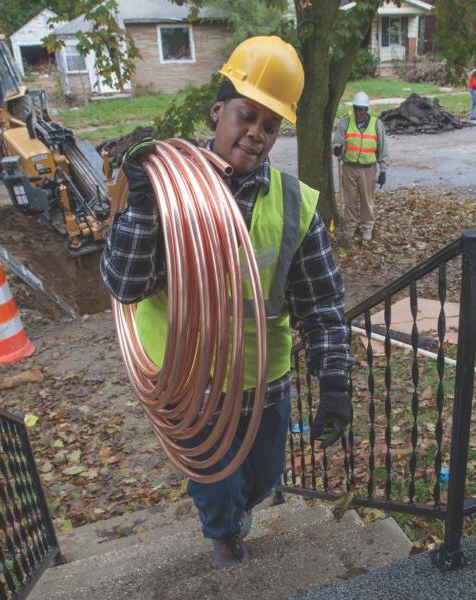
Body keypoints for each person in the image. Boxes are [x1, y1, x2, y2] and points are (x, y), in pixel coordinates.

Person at [100, 36, 353, 569]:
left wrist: (334, 380)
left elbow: (322, 303)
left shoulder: (293, 205)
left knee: (262, 479)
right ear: (218, 111)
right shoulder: (166, 191)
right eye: (245, 115)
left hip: (265, 380)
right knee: (215, 487)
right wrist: (143, 208)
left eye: (270, 124)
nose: (255, 133)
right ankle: (225, 543)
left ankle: (242, 514)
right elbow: (126, 285)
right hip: (189, 383)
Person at [332, 92, 389, 247]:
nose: (358, 113)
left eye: (361, 110)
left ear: (366, 109)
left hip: (368, 169)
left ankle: (367, 229)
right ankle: (350, 228)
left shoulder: (376, 125)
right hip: (349, 167)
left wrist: (383, 170)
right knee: (349, 201)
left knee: (366, 201)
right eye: (356, 109)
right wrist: (337, 149)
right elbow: (337, 142)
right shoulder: (345, 123)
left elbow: (383, 149)